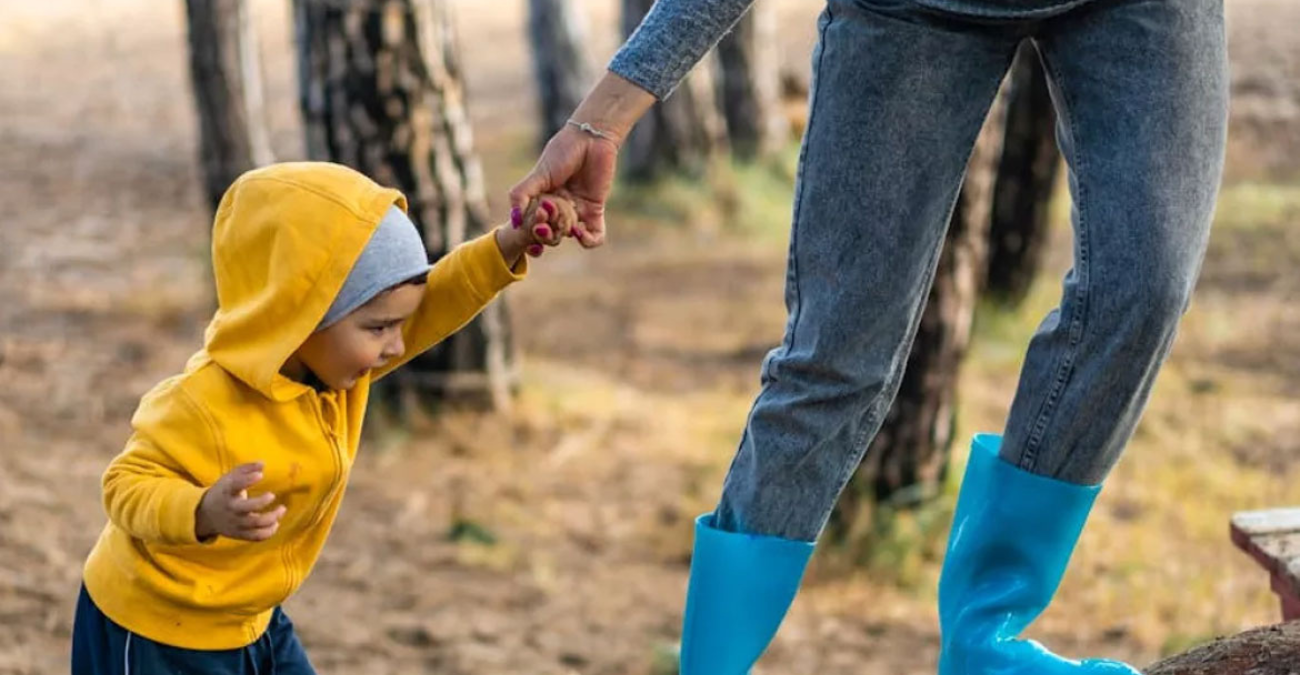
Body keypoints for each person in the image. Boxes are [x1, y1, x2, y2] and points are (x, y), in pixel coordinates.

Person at [510, 0, 1228, 672]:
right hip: (912, 12)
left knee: (1145, 291)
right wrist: (603, 118)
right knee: (838, 359)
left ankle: (987, 640)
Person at [72, 161, 577, 673]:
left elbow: (436, 303)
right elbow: (123, 484)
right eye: (379, 328)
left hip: (254, 617)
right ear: (301, 316)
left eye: (398, 324)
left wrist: (510, 243)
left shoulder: (336, 373)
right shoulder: (203, 402)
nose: (397, 345)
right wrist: (200, 510)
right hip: (160, 630)